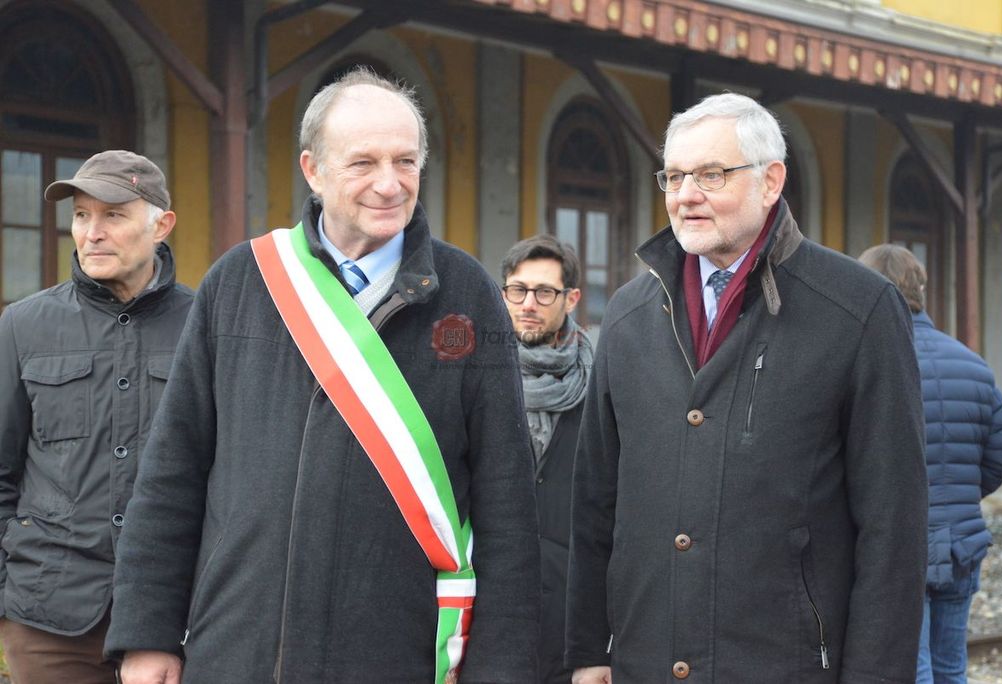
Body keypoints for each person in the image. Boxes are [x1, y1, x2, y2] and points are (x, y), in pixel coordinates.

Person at [103, 67, 539, 683]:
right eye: (363, 163)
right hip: (240, 650)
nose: (389, 184)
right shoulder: (239, 281)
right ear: (313, 170)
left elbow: (507, 504)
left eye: (406, 162)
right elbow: (173, 473)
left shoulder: (467, 293)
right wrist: (148, 636)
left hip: (397, 658)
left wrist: (500, 672)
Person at [565, 92, 928, 683]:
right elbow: (595, 500)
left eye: (712, 174)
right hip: (645, 661)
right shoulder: (628, 316)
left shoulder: (857, 309)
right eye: (674, 176)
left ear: (770, 181)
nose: (686, 195)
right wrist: (587, 650)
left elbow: (894, 524)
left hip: (785, 665)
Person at [0, 150, 192, 684]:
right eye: (82, 215)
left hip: (174, 621)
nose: (92, 233)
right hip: (47, 624)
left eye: (113, 215)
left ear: (161, 226)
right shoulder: (22, 326)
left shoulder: (204, 327)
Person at [859, 244, 1002, 684]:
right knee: (952, 667)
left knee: (912, 668)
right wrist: (964, 491)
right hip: (961, 544)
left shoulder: (870, 361)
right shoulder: (971, 362)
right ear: (922, 291)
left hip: (897, 545)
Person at [500, 235, 591, 684]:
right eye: (518, 290)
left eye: (544, 292)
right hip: (489, 608)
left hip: (569, 618)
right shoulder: (476, 377)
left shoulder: (601, 382)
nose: (528, 304)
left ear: (571, 299)